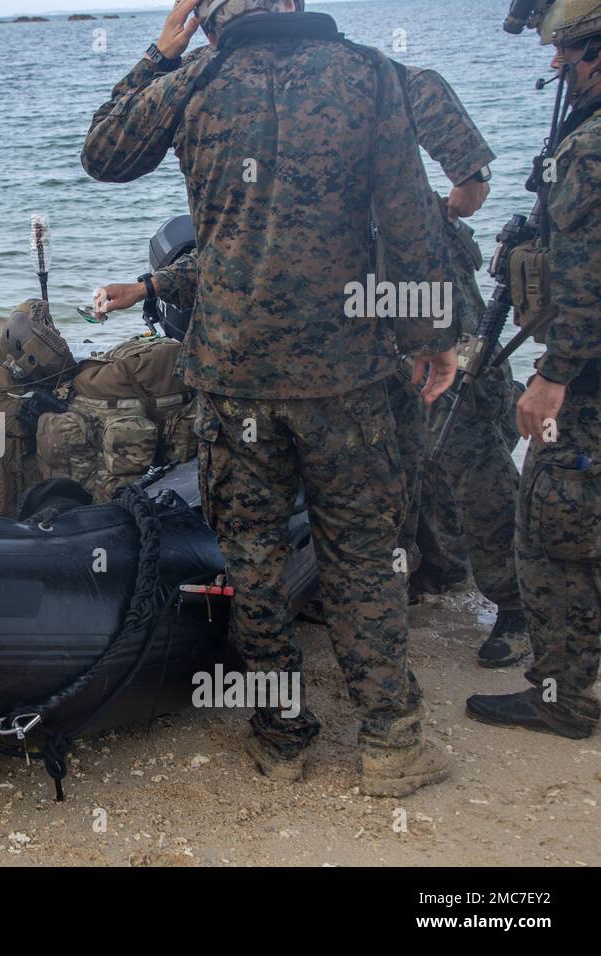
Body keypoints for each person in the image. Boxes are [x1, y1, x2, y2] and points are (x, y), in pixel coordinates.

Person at [83, 0, 459, 796]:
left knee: (251, 560)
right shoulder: (368, 73)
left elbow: (103, 153)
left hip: (232, 372)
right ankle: (391, 741)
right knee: (362, 555)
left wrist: (162, 50)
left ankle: (281, 734)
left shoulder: (196, 80)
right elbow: (410, 218)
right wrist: (432, 334)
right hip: (345, 376)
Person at [98, 55, 528, 670]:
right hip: (363, 317)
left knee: (466, 446)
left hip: (422, 286)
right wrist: (150, 287)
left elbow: (447, 140)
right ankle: (413, 576)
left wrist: (462, 188)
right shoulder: (266, 120)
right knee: (397, 459)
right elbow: (246, 258)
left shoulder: (375, 79)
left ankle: (514, 603)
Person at [468, 0, 601, 740]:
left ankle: (564, 699)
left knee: (553, 535)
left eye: (569, 54)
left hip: (586, 382)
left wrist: (554, 374)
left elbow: (588, 278)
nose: (556, 66)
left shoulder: (589, 148)